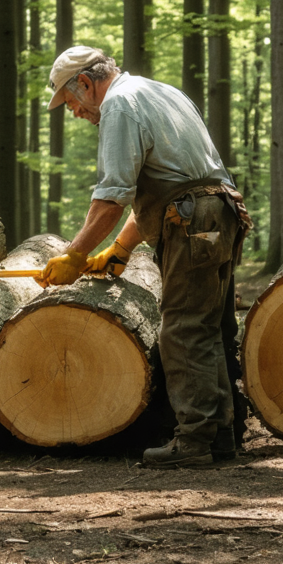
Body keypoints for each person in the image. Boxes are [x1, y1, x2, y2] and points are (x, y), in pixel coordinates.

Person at [38, 45, 252, 468]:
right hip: (221, 212)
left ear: (85, 83)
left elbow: (112, 199)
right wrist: (120, 248)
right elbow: (169, 182)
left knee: (184, 330)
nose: (75, 113)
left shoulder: (118, 105)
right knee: (210, 328)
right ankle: (221, 436)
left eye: (70, 102)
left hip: (191, 219)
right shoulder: (160, 92)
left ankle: (194, 441)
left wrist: (75, 255)